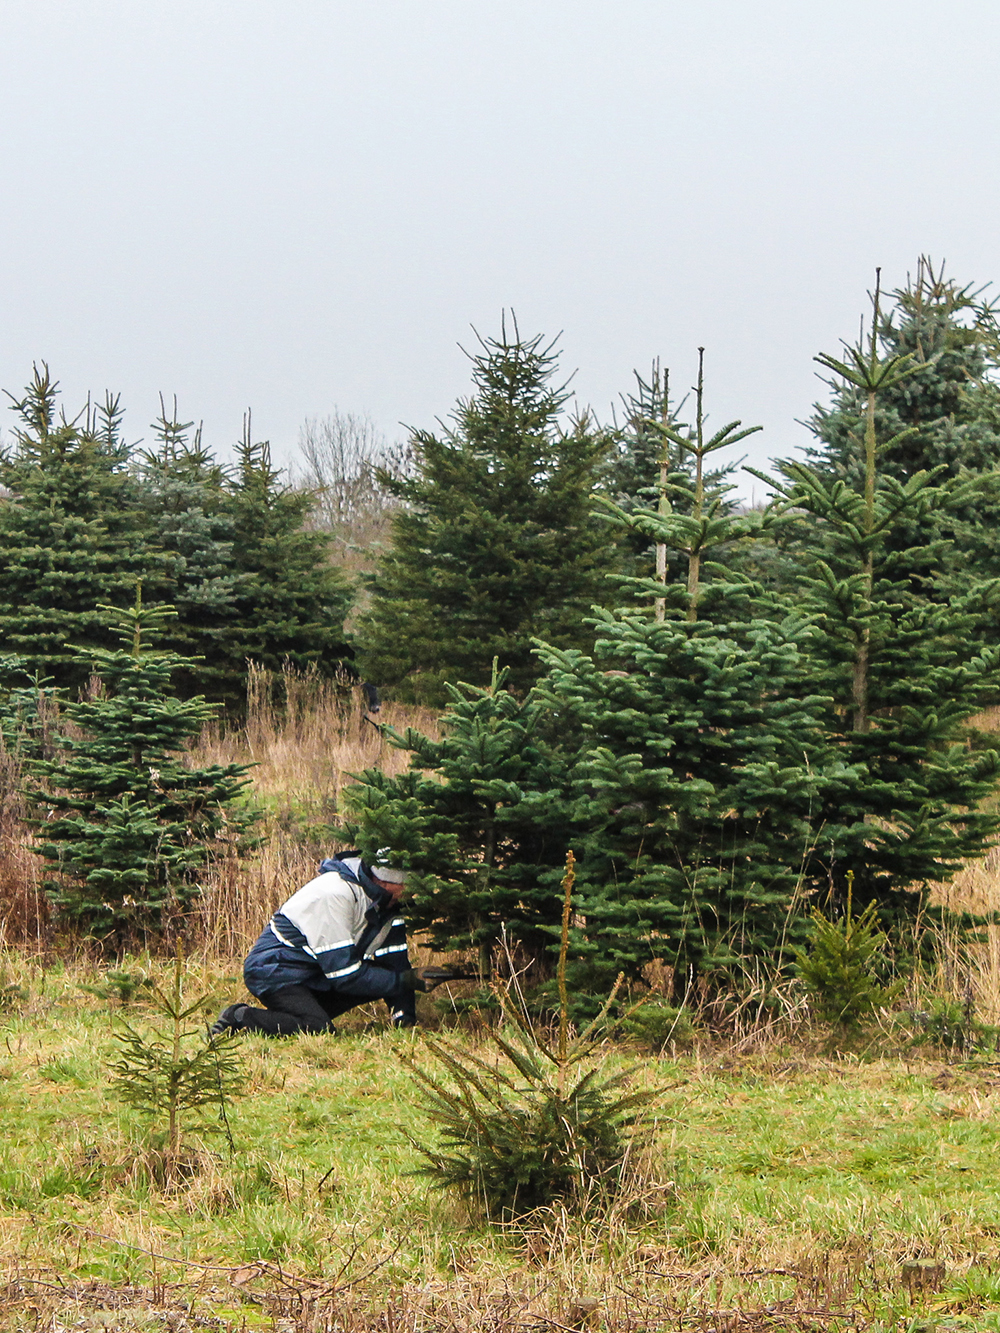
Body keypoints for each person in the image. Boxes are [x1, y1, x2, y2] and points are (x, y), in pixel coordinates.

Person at [212, 849, 446, 1036]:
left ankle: (292, 1015)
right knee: (317, 1027)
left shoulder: (388, 905)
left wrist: (404, 1017)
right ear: (386, 881)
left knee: (384, 976)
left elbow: (394, 963)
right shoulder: (335, 893)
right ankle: (239, 1017)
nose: (412, 892)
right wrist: (407, 980)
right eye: (407, 884)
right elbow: (345, 974)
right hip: (276, 970)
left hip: (315, 973)